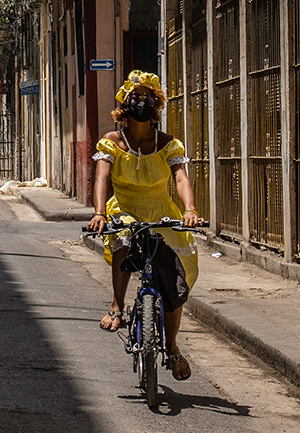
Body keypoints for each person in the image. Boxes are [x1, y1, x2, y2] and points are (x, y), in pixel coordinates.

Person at [85, 70, 203, 381]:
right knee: (122, 239)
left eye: (149, 98)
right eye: (136, 97)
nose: (143, 103)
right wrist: (99, 212)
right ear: (124, 105)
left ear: (157, 106)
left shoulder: (168, 144)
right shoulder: (111, 142)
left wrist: (189, 210)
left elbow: (180, 178)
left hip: (161, 215)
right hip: (124, 210)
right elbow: (101, 177)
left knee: (174, 282)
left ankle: (173, 347)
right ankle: (117, 306)